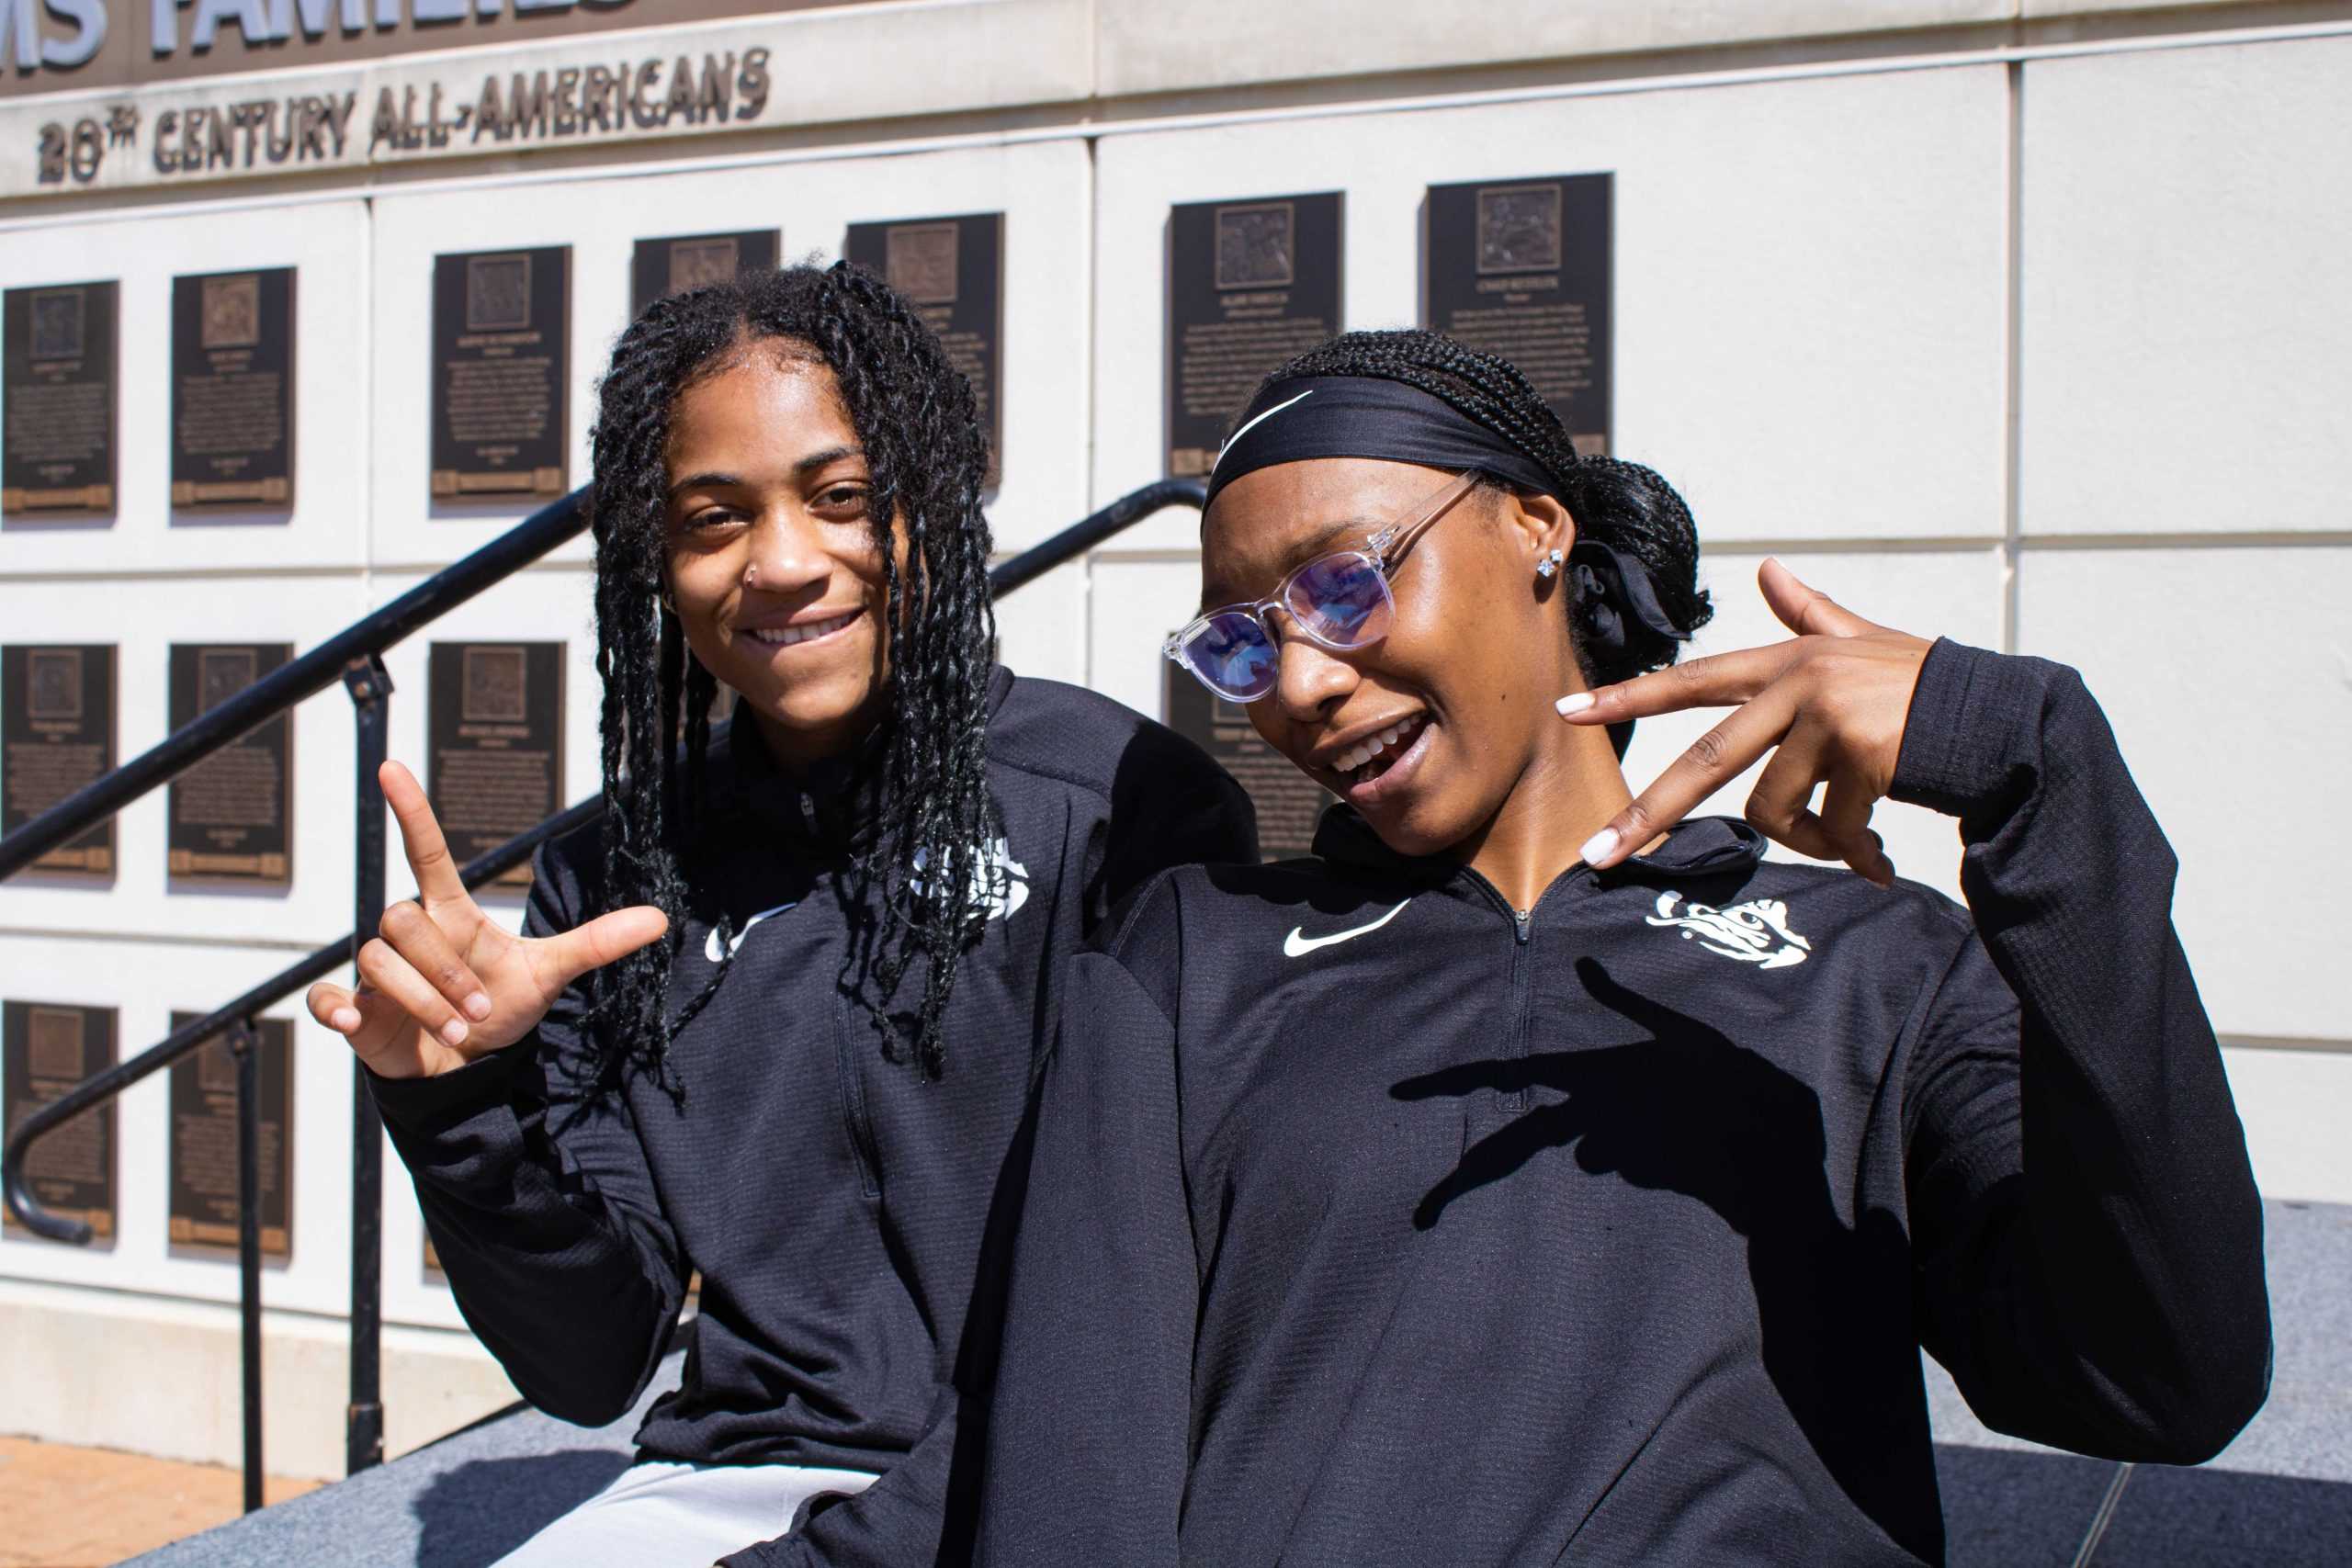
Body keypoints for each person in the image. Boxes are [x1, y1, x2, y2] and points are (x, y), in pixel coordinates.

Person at [977, 329, 2270, 1565]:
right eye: (1246, 641)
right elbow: (1073, 1470)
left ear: (1537, 531)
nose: (1301, 682)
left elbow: (2159, 1381)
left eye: (1344, 585)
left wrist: (2040, 778)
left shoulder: (1876, 967)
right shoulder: (1193, 961)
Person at [304, 263, 1256, 1568]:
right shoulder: (614, 879)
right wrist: (461, 1106)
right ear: (660, 559)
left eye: (843, 497)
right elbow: (590, 1364)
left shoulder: (1120, 810)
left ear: (935, 501)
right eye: (714, 517)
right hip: (751, 1483)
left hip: (1070, 1466)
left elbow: (1191, 1293)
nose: (787, 564)